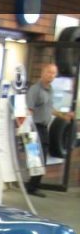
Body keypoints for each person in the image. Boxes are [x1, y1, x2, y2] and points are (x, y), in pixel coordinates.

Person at [25, 63, 75, 197]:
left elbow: (50, 109)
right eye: (49, 72)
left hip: (43, 128)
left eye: (54, 73)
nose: (51, 76)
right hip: (34, 127)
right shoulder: (35, 89)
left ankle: (33, 184)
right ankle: (32, 186)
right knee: (36, 157)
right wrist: (27, 130)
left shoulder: (50, 89)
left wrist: (64, 116)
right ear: (42, 73)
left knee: (41, 157)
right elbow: (28, 110)